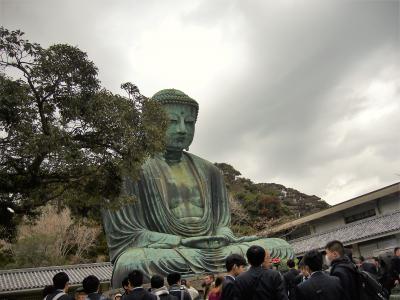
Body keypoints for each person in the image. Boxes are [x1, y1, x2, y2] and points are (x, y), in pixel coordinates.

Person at [102, 89, 293, 287]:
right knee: (131, 263)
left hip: (214, 248)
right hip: (171, 251)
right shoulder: (126, 171)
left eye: (190, 123)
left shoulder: (210, 171)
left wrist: (223, 234)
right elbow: (129, 235)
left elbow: (222, 224)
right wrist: (179, 241)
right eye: (172, 122)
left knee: (279, 246)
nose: (183, 129)